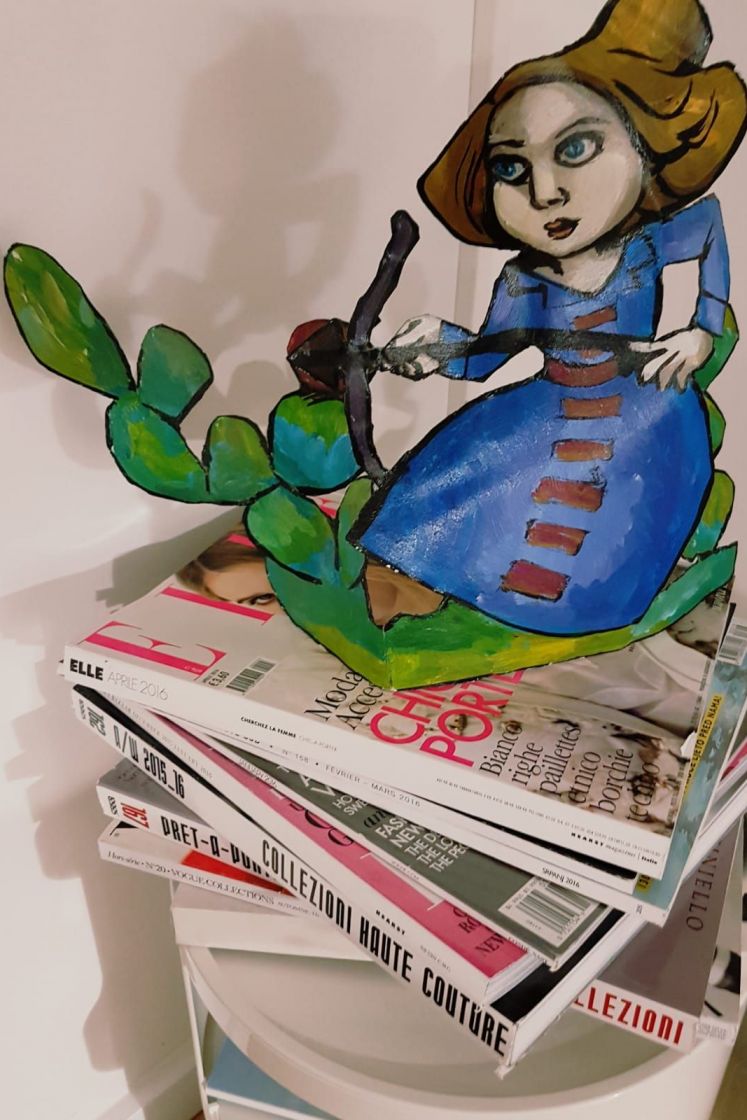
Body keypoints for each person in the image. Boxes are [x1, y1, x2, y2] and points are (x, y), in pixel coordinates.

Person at [351, 0, 746, 638]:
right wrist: (434, 347)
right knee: (454, 473)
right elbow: (485, 358)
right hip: (544, 409)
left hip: (647, 421)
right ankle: (408, 594)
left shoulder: (642, 248)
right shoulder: (522, 280)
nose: (545, 193)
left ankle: (569, 615)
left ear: (642, 144)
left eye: (577, 148)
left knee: (601, 534)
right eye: (512, 167)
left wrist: (703, 328)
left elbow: (708, 225)